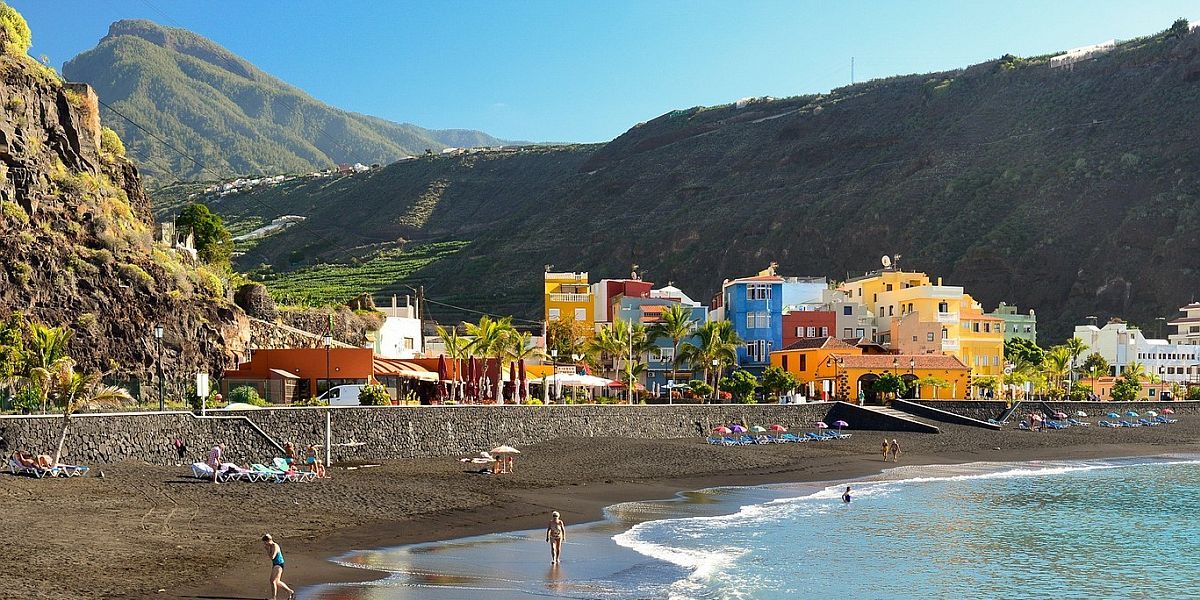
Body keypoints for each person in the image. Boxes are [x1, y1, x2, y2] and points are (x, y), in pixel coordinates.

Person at [261, 534, 295, 600]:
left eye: (265, 542)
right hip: (276, 564)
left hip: (279, 564)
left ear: (268, 541)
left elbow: (272, 557)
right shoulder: (271, 546)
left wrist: (267, 550)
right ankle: (290, 591)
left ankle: (274, 598)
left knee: (272, 581)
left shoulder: (274, 546)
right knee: (277, 582)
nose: (264, 544)